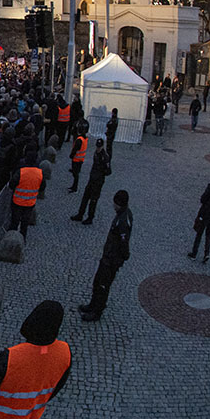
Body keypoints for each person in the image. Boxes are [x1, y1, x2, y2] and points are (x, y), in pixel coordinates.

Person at [79, 190, 132, 322]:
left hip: (112, 259)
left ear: (118, 203)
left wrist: (122, 257)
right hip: (108, 256)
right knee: (97, 282)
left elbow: (123, 243)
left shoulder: (123, 220)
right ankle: (93, 304)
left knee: (103, 285)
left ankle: (97, 311)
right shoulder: (122, 215)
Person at [70, 140, 110, 225]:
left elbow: (109, 171)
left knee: (93, 201)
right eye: (97, 146)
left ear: (102, 146)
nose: (97, 148)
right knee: (85, 197)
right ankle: (80, 214)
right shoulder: (96, 153)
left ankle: (90, 217)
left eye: (99, 147)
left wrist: (101, 172)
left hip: (98, 182)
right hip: (92, 179)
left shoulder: (105, 157)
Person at [7, 162, 40, 240]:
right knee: (25, 222)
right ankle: (22, 238)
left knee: (15, 220)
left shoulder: (21, 172)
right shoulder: (39, 173)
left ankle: (11, 238)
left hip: (18, 201)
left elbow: (12, 184)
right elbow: (42, 186)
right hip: (30, 202)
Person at [67, 127, 88, 192]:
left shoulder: (79, 140)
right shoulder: (85, 139)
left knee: (75, 174)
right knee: (76, 173)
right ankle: (74, 186)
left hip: (76, 159)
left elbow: (75, 149)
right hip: (81, 159)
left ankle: (74, 187)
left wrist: (71, 155)